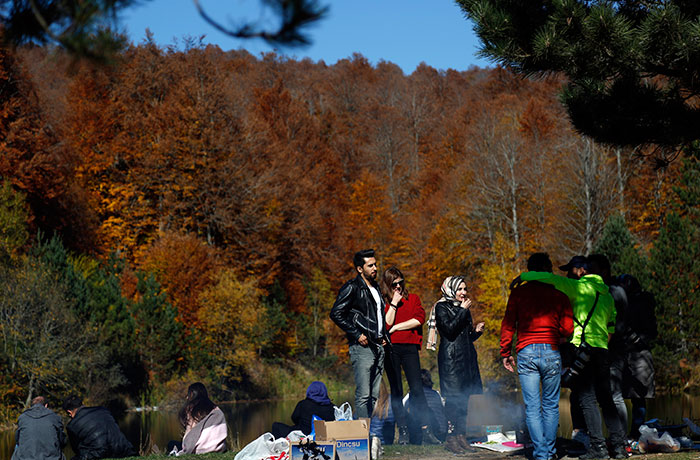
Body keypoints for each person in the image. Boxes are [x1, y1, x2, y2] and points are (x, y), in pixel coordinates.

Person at [514, 257, 626, 460]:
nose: (567, 274)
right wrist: (601, 342)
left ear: (581, 271)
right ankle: (619, 447)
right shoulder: (607, 294)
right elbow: (611, 326)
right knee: (606, 398)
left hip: (581, 349)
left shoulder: (577, 288)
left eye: (570, 270)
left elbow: (548, 278)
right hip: (601, 348)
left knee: (587, 399)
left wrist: (523, 276)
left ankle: (598, 448)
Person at [500, 253, 574, 460]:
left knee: (532, 407)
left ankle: (541, 454)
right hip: (551, 351)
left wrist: (505, 352)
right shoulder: (560, 296)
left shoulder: (518, 294)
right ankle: (549, 452)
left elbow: (508, 325)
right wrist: (555, 331)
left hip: (526, 352)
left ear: (530, 270)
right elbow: (568, 329)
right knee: (550, 405)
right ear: (549, 271)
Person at [380, 266, 440, 445]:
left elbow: (419, 319)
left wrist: (397, 327)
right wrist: (393, 304)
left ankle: (426, 429)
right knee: (396, 389)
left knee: (417, 388)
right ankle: (403, 431)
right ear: (388, 284)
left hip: (410, 348)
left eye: (400, 282)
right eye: (394, 284)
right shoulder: (383, 302)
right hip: (391, 349)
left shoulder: (413, 298)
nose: (398, 286)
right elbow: (386, 323)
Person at [330, 249, 388, 419]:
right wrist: (356, 334)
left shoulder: (375, 287)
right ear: (360, 269)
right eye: (370, 265)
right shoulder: (352, 287)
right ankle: (363, 438)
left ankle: (369, 434)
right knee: (363, 395)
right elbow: (336, 313)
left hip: (378, 345)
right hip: (362, 347)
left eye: (375, 264)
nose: (375, 268)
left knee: (374, 396)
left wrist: (383, 336)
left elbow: (377, 317)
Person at [434, 276, 485, 454]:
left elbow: (464, 336)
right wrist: (462, 311)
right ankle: (451, 438)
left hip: (466, 360)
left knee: (464, 400)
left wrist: (476, 333)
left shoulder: (463, 309)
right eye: (460, 289)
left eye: (465, 289)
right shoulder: (441, 307)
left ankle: (461, 436)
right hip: (451, 361)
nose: (463, 293)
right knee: (453, 401)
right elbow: (449, 330)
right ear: (451, 290)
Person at [618, 274, 657, 439]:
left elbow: (650, 331)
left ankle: (634, 433)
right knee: (633, 397)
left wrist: (636, 339)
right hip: (632, 353)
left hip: (637, 354)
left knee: (637, 396)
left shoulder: (638, 304)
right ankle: (633, 433)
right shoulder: (642, 303)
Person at [62, 395, 136, 460]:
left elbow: (77, 450)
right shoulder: (103, 410)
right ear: (82, 404)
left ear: (69, 412)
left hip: (100, 454)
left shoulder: (72, 426)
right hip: (124, 450)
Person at [168, 382, 228, 455]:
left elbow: (189, 435)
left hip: (200, 449)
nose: (187, 397)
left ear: (192, 394)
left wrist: (184, 450)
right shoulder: (216, 410)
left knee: (171, 443)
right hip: (219, 448)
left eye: (188, 394)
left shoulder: (192, 409)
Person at [12, 395, 66, 460]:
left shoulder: (22, 417)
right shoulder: (54, 417)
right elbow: (62, 441)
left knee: (17, 446)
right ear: (46, 405)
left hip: (26, 458)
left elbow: (17, 440)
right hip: (51, 457)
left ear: (31, 406)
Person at [404, 369, 448, 444]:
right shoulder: (436, 393)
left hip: (420, 434)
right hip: (440, 433)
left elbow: (402, 407)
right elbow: (443, 409)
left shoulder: (411, 394)